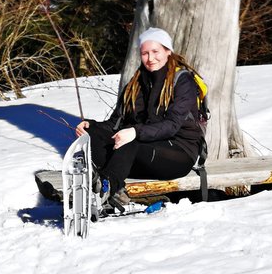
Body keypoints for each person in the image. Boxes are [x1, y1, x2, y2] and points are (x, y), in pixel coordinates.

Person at [75, 27, 204, 209]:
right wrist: (91, 126)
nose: (150, 58)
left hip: (179, 152)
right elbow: (116, 123)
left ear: (168, 51)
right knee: (93, 134)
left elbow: (172, 126)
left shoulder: (182, 81)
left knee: (132, 141)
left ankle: (105, 188)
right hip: (142, 151)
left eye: (155, 52)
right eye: (145, 53)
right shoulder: (135, 83)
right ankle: (103, 184)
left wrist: (135, 132)